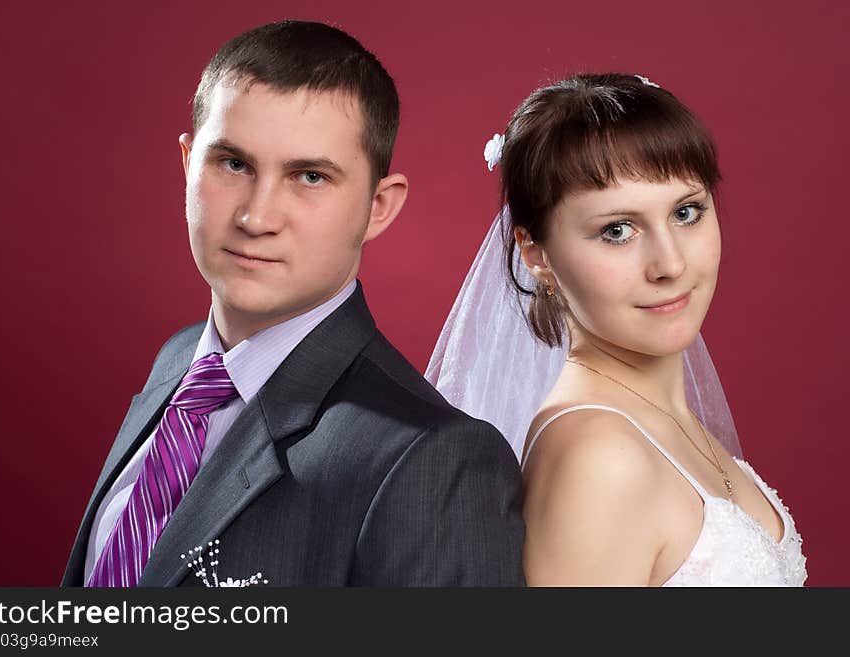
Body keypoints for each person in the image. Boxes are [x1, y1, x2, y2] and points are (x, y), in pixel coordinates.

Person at [61, 20, 525, 587]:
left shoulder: (434, 462)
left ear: (379, 207)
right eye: (233, 164)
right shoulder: (179, 363)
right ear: (188, 165)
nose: (257, 218)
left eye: (309, 176)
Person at [426, 73, 806, 586]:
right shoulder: (599, 457)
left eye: (687, 212)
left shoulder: (657, 418)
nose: (669, 264)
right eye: (617, 230)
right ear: (535, 253)